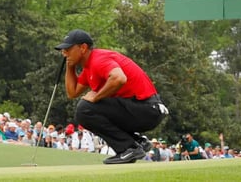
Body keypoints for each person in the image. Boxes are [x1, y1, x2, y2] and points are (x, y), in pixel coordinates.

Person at [56, 29, 169, 164]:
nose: (64, 53)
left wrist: (96, 96)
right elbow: (72, 92)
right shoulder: (89, 68)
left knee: (85, 109)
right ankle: (135, 141)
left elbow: (119, 78)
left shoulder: (98, 59)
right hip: (143, 109)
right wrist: (70, 66)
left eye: (68, 49)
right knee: (84, 109)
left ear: (83, 48)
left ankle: (129, 148)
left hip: (148, 108)